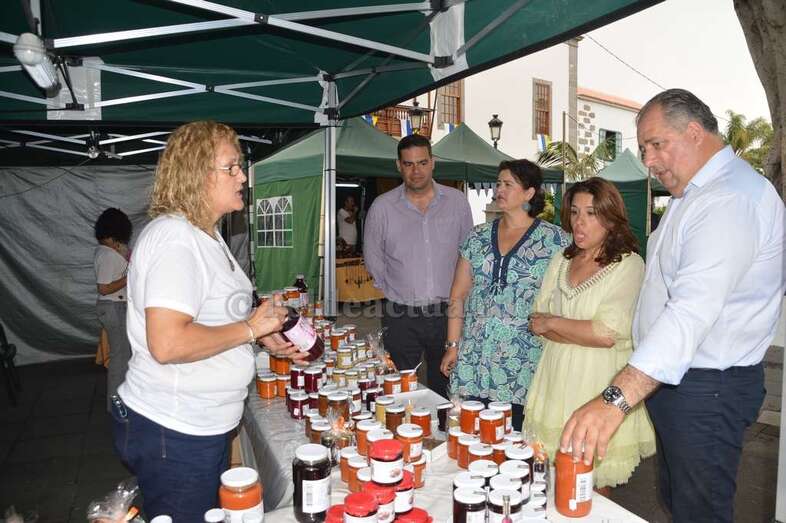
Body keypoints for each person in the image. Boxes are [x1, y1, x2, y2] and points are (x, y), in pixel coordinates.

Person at [559, 89, 785, 523]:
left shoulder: (730, 199)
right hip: (683, 383)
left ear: (695, 132)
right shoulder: (694, 196)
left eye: (656, 144)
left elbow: (690, 312)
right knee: (679, 500)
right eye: (643, 148)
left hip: (708, 387)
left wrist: (612, 400)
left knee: (699, 510)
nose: (648, 160)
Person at [111, 121, 293, 521]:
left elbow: (209, 319)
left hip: (196, 423)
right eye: (232, 167)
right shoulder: (175, 238)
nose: (243, 176)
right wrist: (250, 329)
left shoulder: (205, 234)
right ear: (197, 173)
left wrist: (257, 336)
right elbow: (169, 343)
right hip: (174, 427)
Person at [524, 177, 655, 491]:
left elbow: (607, 333)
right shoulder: (562, 260)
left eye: (591, 213)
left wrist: (553, 323)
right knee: (550, 476)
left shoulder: (629, 264)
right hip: (554, 379)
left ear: (610, 218)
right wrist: (575, 330)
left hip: (599, 384)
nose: (579, 222)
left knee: (592, 483)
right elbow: (535, 322)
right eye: (574, 212)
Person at [440, 160, 568, 429]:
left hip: (524, 359)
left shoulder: (555, 240)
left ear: (529, 193)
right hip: (475, 355)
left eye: (508, 184)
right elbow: (458, 294)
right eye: (498, 183)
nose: (499, 189)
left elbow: (565, 296)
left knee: (515, 437)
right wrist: (452, 346)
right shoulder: (477, 236)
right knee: (471, 431)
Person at [364, 133, 473, 398]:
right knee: (401, 390)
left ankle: (446, 437)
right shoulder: (382, 207)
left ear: (433, 163)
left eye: (422, 162)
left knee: (447, 389)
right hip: (400, 314)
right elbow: (373, 258)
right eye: (409, 164)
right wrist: (396, 289)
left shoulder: (456, 202)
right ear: (398, 165)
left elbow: (469, 255)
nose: (416, 171)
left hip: (448, 313)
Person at [94, 208, 133, 413]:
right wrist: (131, 275)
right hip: (114, 306)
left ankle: (118, 402)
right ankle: (117, 405)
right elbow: (104, 287)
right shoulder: (108, 254)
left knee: (121, 355)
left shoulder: (104, 251)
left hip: (110, 307)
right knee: (120, 357)